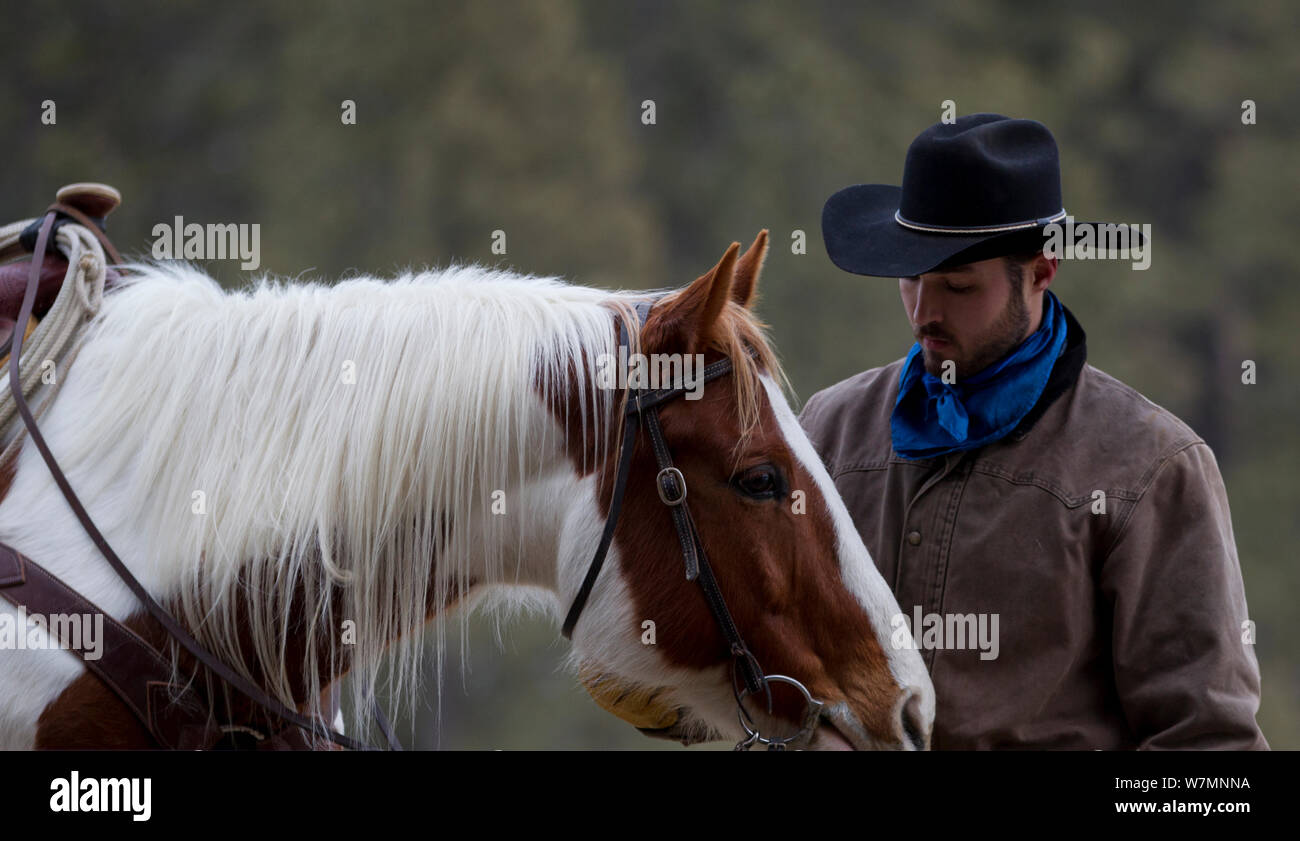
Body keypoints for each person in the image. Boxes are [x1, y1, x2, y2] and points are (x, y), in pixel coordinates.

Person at [800, 112, 1268, 748]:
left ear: (1043, 272)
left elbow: (1211, 762)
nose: (923, 313)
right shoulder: (827, 430)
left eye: (959, 286)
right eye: (910, 279)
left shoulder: (1152, 466)